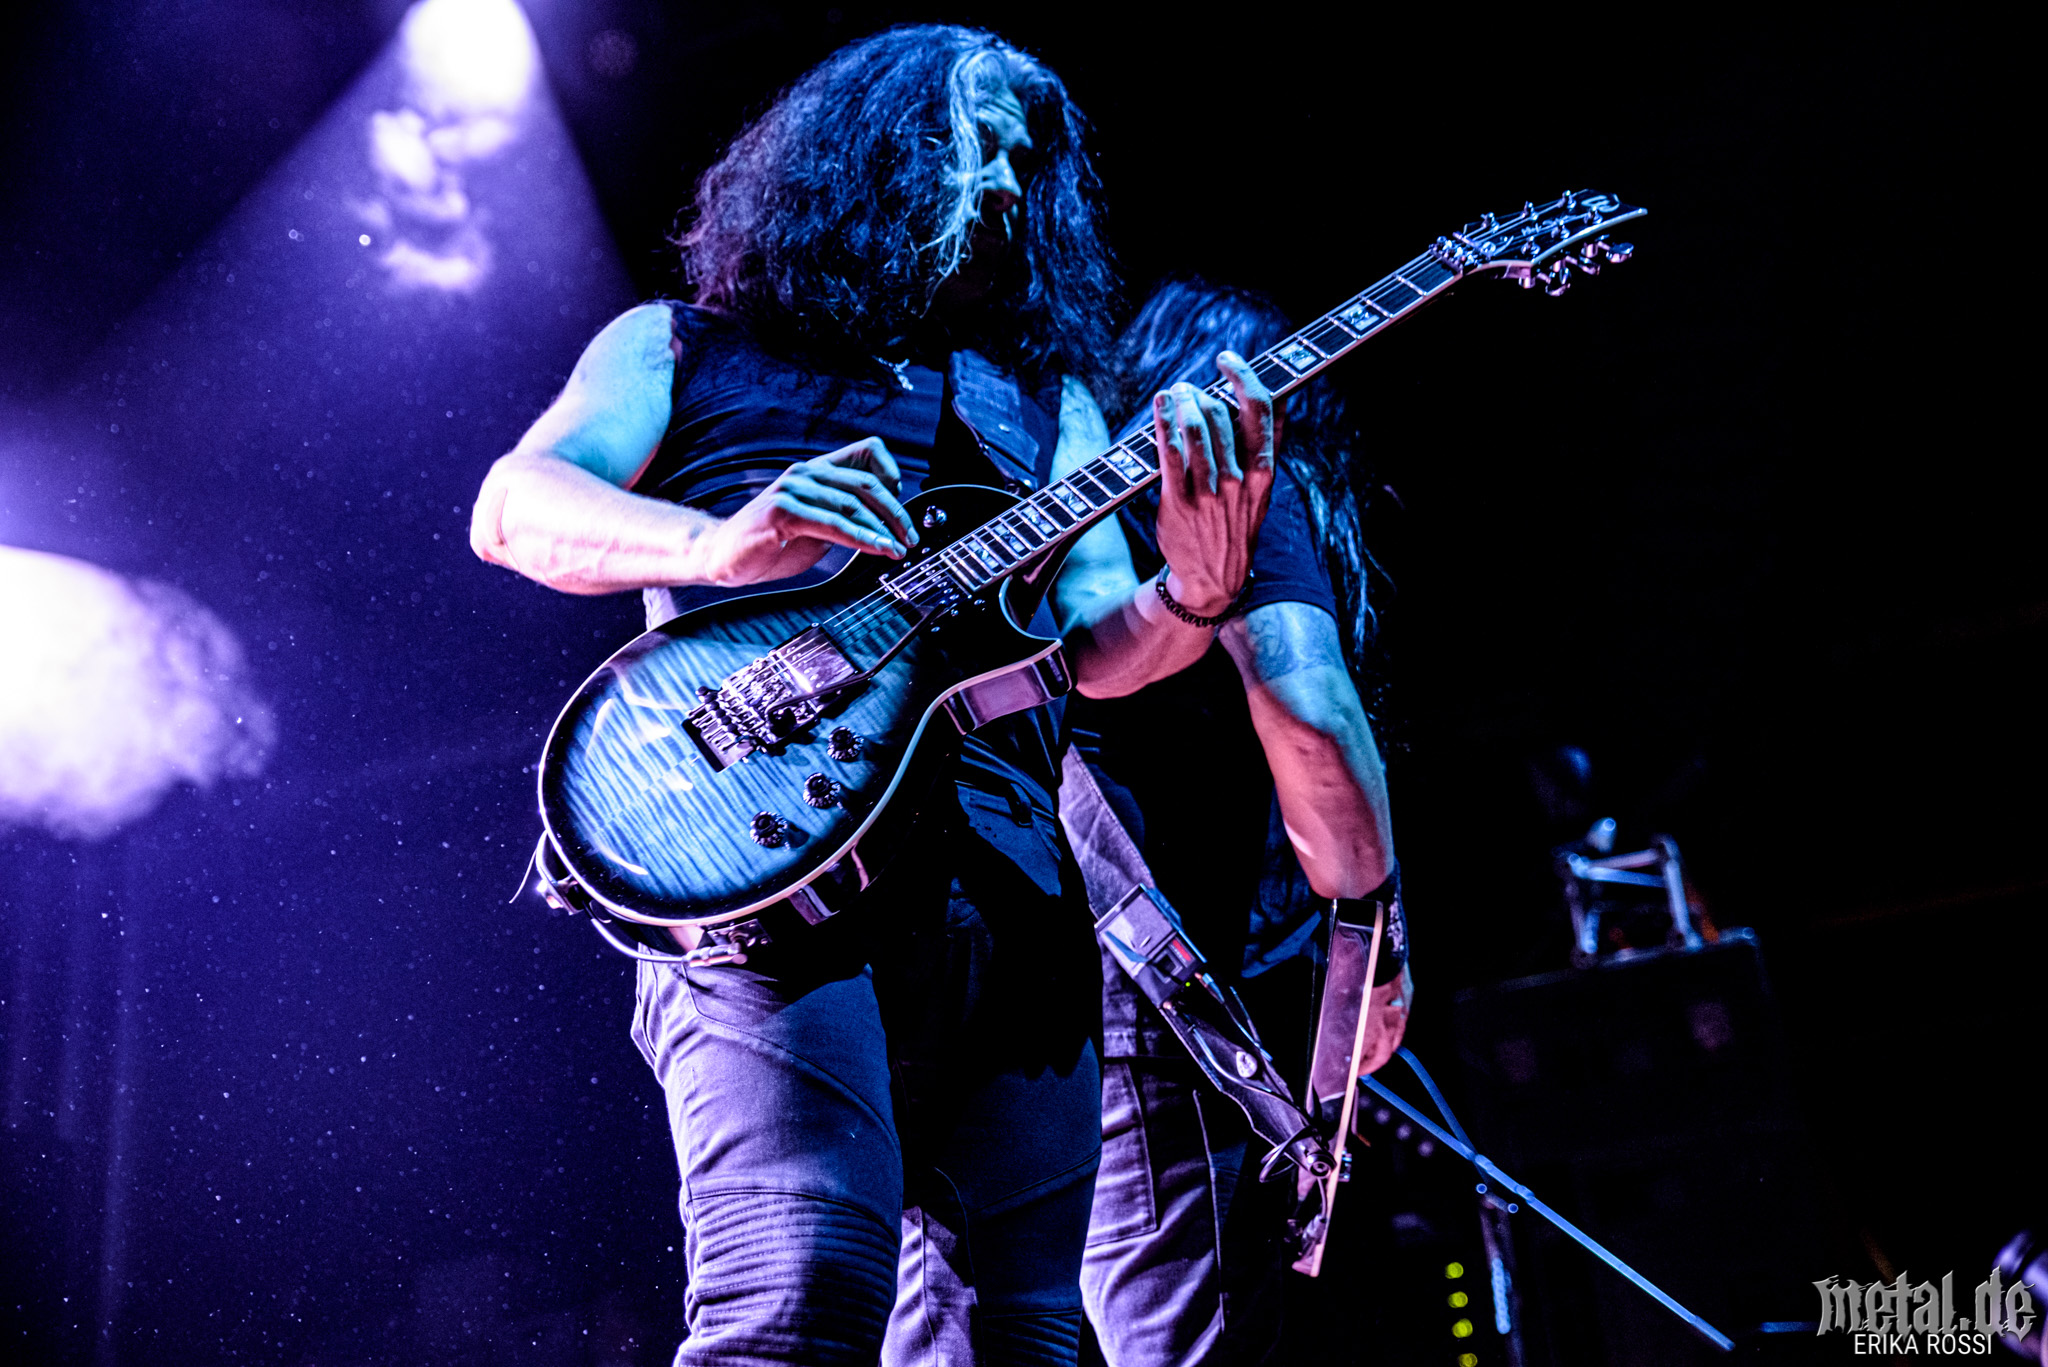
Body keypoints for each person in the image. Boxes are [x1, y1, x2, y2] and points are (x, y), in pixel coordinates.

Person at [468, 27, 1276, 1367]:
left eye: (1025, 160)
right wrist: (717, 543)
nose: (1007, 182)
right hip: (764, 875)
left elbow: (1096, 645)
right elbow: (513, 507)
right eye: (976, 144)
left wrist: (1194, 592)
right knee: (797, 1298)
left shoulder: (1044, 401)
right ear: (867, 150)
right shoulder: (680, 345)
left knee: (1019, 1340)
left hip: (1009, 901)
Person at [1051, 279, 1414, 1366]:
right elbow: (1311, 719)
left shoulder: (1068, 500)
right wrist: (1375, 950)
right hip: (1165, 1017)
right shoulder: (1231, 485)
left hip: (1033, 990)